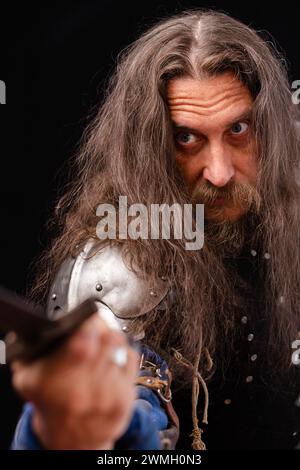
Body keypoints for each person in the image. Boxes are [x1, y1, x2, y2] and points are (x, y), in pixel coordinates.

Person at [11, 9, 300, 450]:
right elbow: (111, 420)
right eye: (187, 138)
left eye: (238, 129)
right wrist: (93, 420)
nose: (220, 173)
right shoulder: (118, 271)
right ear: (150, 147)